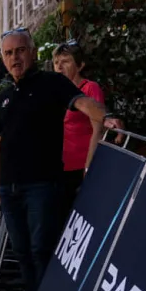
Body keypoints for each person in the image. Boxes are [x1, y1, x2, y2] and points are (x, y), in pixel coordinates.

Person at [0, 29, 106, 291]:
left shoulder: (52, 83)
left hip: (42, 185)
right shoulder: (4, 97)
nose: (15, 58)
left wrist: (106, 117)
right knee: (21, 251)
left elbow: (84, 104)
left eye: (20, 50)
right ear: (3, 59)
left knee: (42, 249)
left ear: (33, 52)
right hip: (8, 188)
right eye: (8, 53)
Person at [51, 42, 108, 208]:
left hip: (80, 166)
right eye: (56, 62)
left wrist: (89, 170)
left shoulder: (90, 88)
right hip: (58, 167)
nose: (59, 67)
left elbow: (98, 130)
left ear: (80, 65)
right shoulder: (55, 92)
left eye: (66, 61)